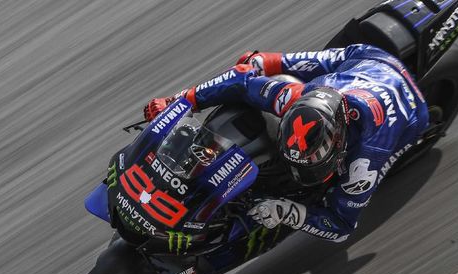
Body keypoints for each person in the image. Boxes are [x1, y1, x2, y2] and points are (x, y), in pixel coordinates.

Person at [143, 44, 430, 243]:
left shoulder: (365, 160)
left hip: (411, 111)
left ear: (340, 141)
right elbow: (241, 80)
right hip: (366, 61)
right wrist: (180, 101)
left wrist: (288, 212)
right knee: (254, 62)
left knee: (332, 192)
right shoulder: (296, 96)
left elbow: (342, 226)